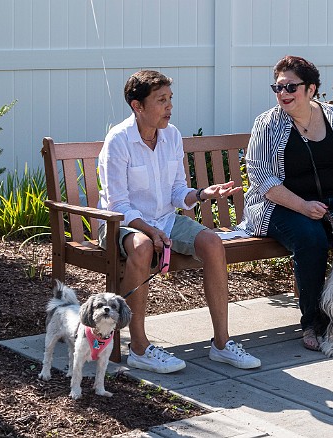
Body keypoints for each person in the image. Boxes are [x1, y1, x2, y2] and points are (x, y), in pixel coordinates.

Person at [98, 70, 261, 373]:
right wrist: (150, 231)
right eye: (161, 100)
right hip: (119, 223)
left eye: (170, 99)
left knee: (212, 242)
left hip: (165, 219)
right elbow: (118, 205)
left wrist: (202, 193)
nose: (169, 107)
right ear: (138, 106)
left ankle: (222, 344)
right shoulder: (118, 141)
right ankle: (139, 348)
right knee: (144, 247)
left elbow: (176, 192)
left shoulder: (172, 135)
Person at [237, 56, 333, 351]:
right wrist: (303, 206)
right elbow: (262, 179)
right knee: (311, 237)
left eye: (290, 86)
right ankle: (314, 322)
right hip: (280, 205)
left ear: (311, 89)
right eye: (277, 88)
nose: (283, 94)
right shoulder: (267, 124)